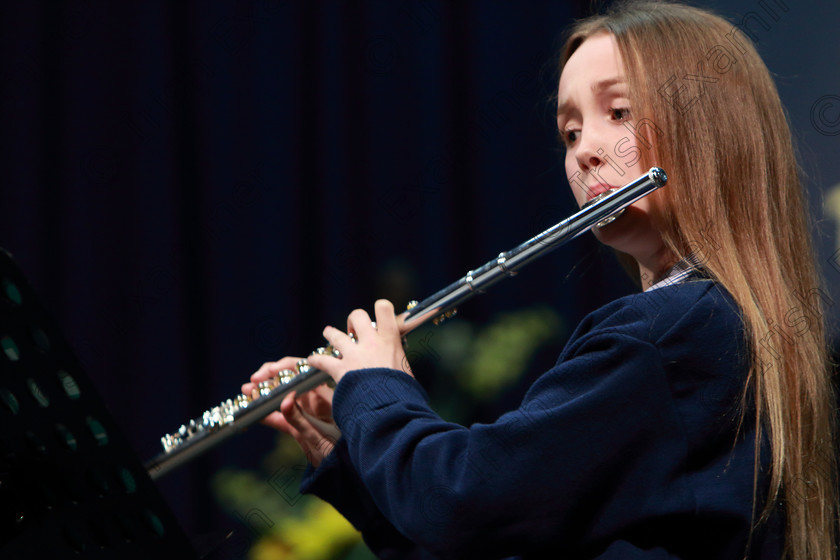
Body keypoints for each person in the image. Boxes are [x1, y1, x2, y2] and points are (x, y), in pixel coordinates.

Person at [243, 1, 839, 558]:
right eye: (571, 132)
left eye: (619, 112)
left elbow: (464, 501)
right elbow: (487, 543)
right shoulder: (711, 324)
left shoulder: (671, 331)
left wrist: (377, 388)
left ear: (712, 129)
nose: (584, 153)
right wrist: (353, 450)